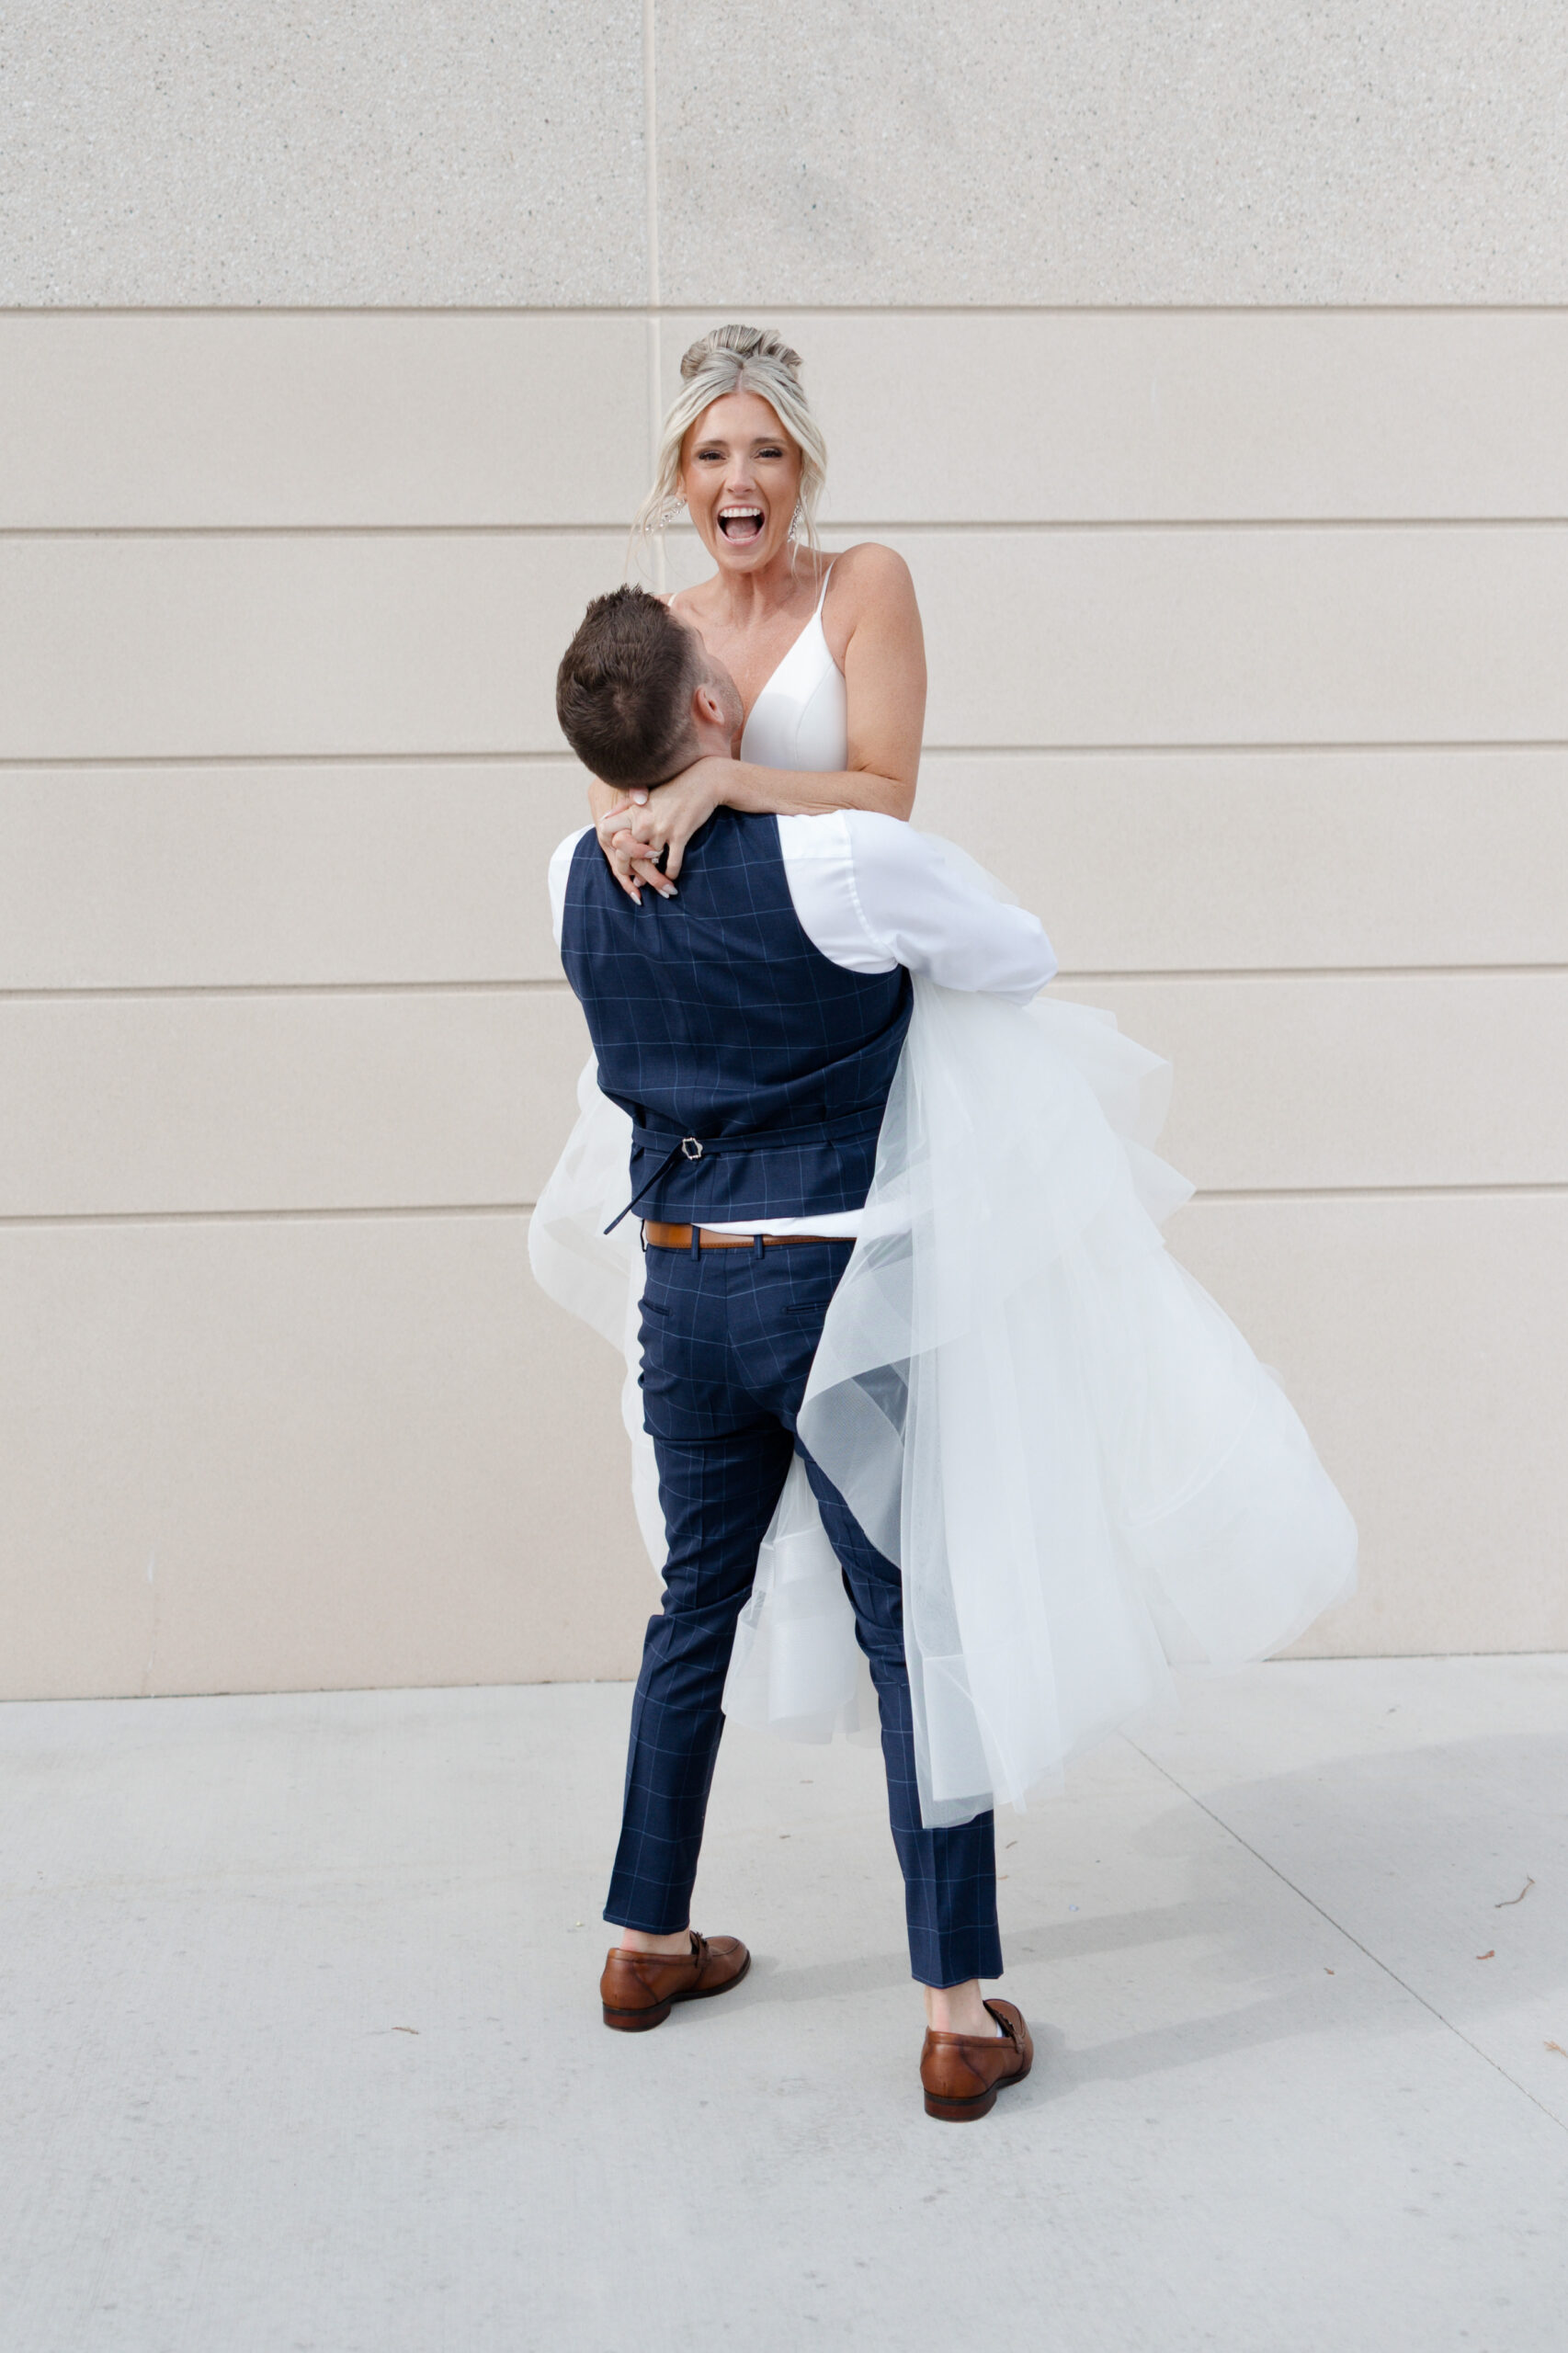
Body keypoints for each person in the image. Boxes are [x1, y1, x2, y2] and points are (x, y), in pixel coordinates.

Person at [551, 585, 1052, 2121]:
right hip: (833, 1284)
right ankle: (956, 2014)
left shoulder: (571, 870)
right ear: (709, 716)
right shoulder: (841, 857)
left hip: (683, 1285)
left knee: (690, 1603)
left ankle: (643, 1940)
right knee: (910, 1625)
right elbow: (1018, 958)